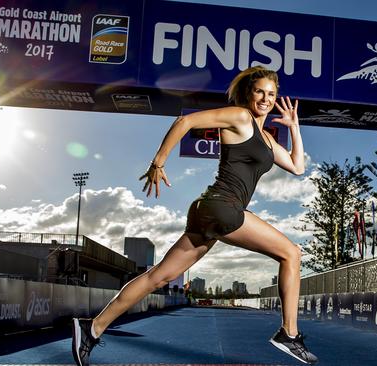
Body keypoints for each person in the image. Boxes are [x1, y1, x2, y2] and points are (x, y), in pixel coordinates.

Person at [71, 66, 318, 365]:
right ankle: (289, 334)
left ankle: (92, 328)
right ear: (249, 94)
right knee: (291, 254)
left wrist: (294, 126)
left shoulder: (266, 139)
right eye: (259, 92)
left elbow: (297, 166)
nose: (265, 99)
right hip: (222, 206)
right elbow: (186, 121)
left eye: (271, 94)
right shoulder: (240, 117)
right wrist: (158, 162)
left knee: (159, 276)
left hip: (210, 211)